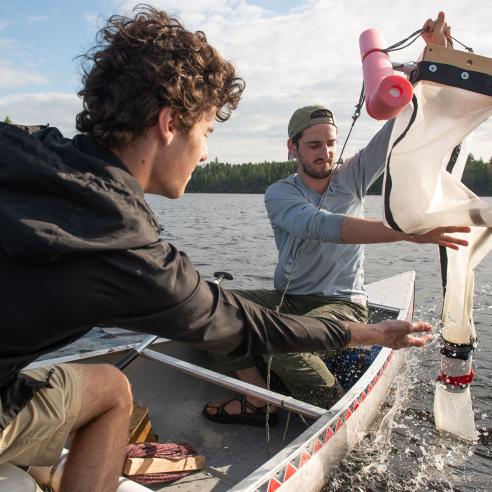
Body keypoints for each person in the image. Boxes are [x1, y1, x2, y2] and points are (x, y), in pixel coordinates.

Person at [0, 5, 436, 492]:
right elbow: (247, 322)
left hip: (332, 302)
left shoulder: (20, 147)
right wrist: (374, 331)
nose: (206, 152)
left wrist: (423, 72)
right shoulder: (129, 249)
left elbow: (397, 130)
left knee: (110, 386)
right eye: (205, 130)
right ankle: (322, 405)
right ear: (169, 124)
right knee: (118, 391)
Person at [203, 11, 465, 425]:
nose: (324, 152)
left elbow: (404, 120)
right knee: (205, 308)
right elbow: (321, 227)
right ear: (293, 148)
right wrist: (406, 234)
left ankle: (334, 408)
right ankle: (259, 396)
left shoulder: (353, 175)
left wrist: (434, 55)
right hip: (290, 299)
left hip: (341, 305)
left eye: (329, 143)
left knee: (279, 339)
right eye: (313, 145)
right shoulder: (280, 194)